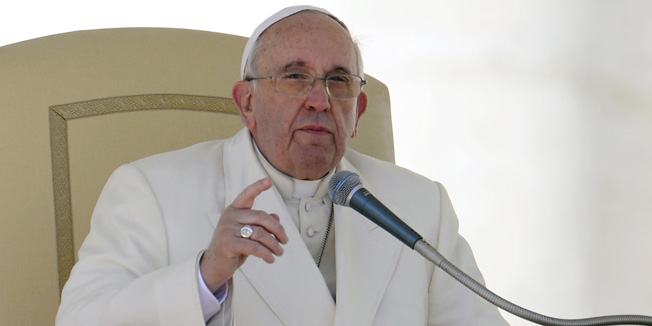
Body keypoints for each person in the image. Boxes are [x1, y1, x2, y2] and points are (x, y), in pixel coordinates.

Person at [57, 5, 509, 326]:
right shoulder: (150, 191)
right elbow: (79, 320)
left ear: (358, 111)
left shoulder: (419, 203)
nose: (320, 100)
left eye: (338, 81)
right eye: (295, 77)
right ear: (247, 103)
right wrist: (203, 276)